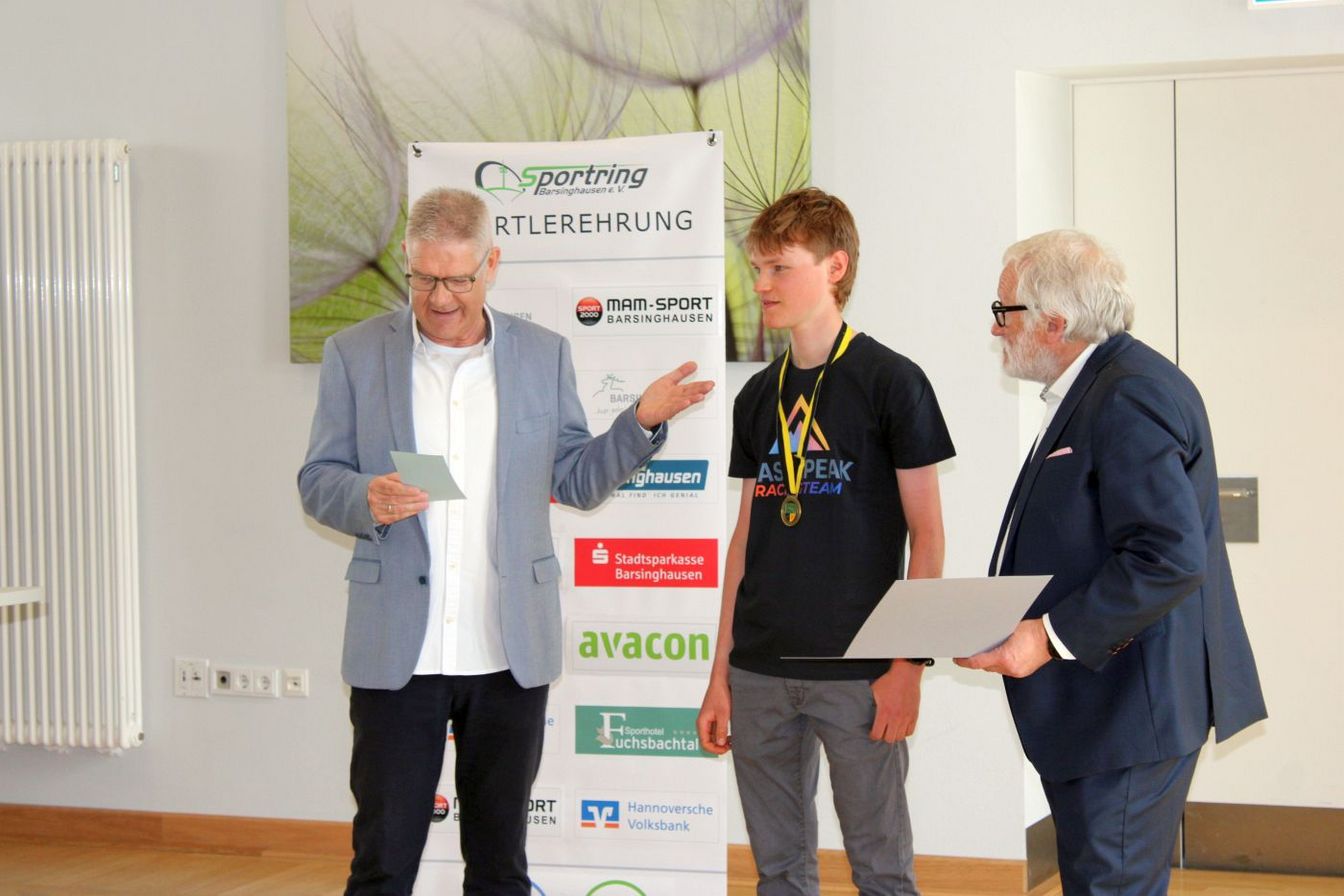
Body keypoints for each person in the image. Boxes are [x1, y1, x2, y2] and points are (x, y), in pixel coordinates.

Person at [297, 187, 713, 896]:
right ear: (407, 261)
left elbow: (576, 480)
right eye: (424, 277)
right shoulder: (354, 354)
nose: (440, 298)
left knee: (499, 869)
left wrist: (639, 423)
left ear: (492, 264)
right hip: (398, 651)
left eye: (459, 279)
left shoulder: (543, 355)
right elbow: (317, 479)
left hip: (508, 652)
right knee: (382, 866)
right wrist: (364, 497)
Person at [957, 230, 1266, 895]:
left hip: (1128, 711)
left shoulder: (1128, 393)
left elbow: (1167, 555)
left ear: (1055, 322)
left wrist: (1046, 636)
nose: (995, 327)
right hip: (1103, 709)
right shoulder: (1101, 385)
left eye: (1004, 310)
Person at [696, 187, 954, 895]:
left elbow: (929, 538)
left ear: (834, 267)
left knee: (881, 872)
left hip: (861, 672)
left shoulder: (892, 381)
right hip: (759, 671)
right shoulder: (757, 396)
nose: (761, 284)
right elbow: (744, 543)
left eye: (779, 267)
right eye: (756, 268)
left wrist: (908, 665)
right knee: (779, 875)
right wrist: (720, 675)